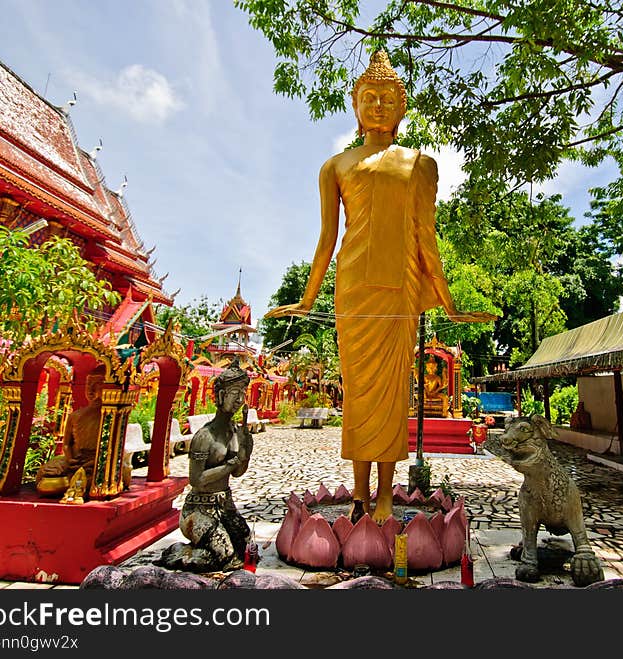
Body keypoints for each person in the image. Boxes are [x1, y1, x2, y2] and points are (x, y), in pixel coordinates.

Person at [265, 51, 495, 522]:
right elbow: (328, 239)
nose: (377, 105)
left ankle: (387, 492)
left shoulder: (419, 164)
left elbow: (425, 237)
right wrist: (307, 300)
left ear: (402, 106)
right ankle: (358, 493)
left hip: (401, 287)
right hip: (352, 289)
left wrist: (449, 304)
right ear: (354, 104)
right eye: (368, 97)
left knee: (390, 394)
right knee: (358, 392)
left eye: (387, 97)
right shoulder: (336, 166)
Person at [177, 358, 253, 571]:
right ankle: (180, 554)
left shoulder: (234, 432)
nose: (240, 399)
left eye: (242, 394)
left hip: (224, 505)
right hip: (197, 511)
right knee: (225, 555)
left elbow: (238, 473)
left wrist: (246, 450)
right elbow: (197, 480)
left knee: (247, 547)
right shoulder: (205, 436)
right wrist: (230, 465)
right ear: (221, 396)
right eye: (235, 393)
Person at [35, 372, 103, 497]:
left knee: (99, 476)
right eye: (88, 385)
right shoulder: (75, 416)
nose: (90, 390)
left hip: (96, 462)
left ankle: (76, 483)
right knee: (46, 474)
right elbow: (67, 444)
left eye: (97, 385)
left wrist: (97, 461)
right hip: (75, 459)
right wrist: (70, 459)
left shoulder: (110, 416)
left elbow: (112, 448)